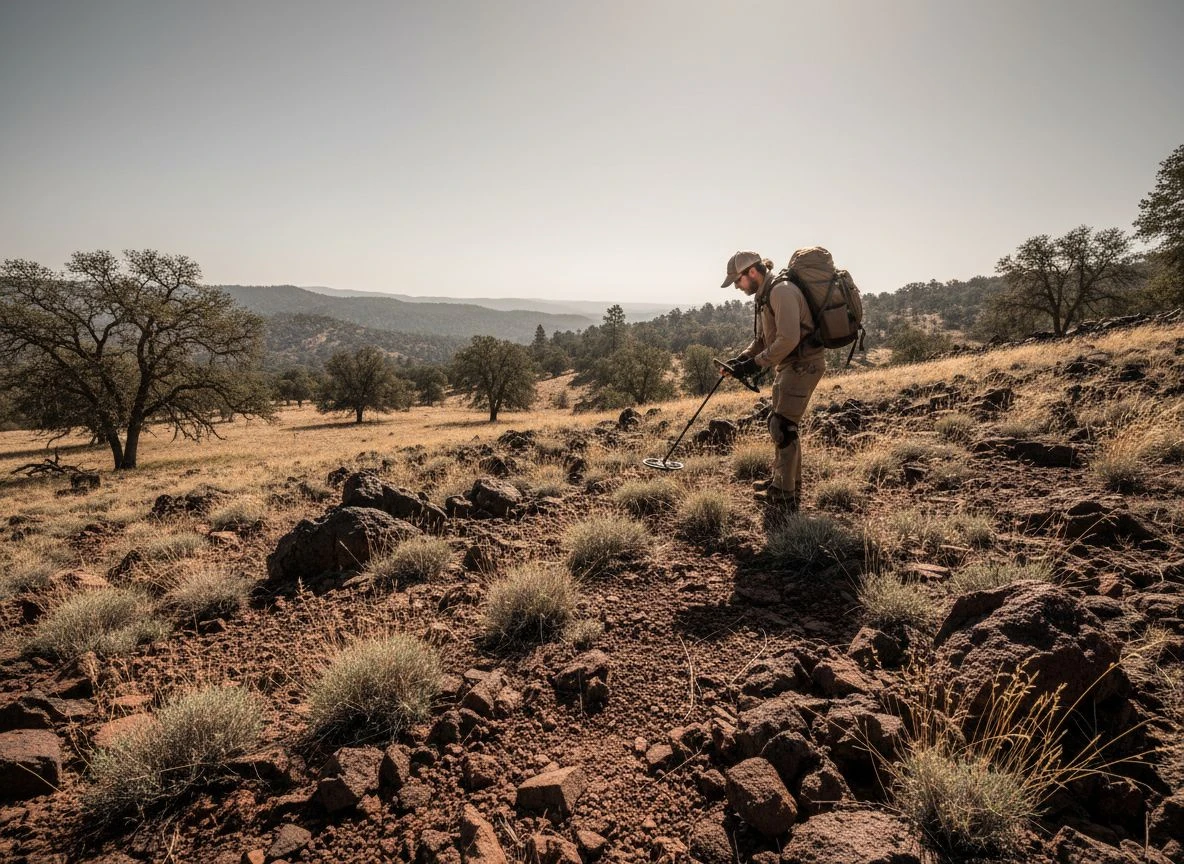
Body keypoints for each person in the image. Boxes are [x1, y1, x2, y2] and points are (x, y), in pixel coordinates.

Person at [720, 250, 825, 513]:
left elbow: (787, 340)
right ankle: (785, 482)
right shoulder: (765, 295)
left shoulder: (781, 291)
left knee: (782, 426)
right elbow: (764, 340)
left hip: (803, 364)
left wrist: (754, 364)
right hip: (790, 365)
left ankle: (784, 493)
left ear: (752, 272)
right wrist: (740, 360)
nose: (736, 286)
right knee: (781, 423)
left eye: (738, 280)